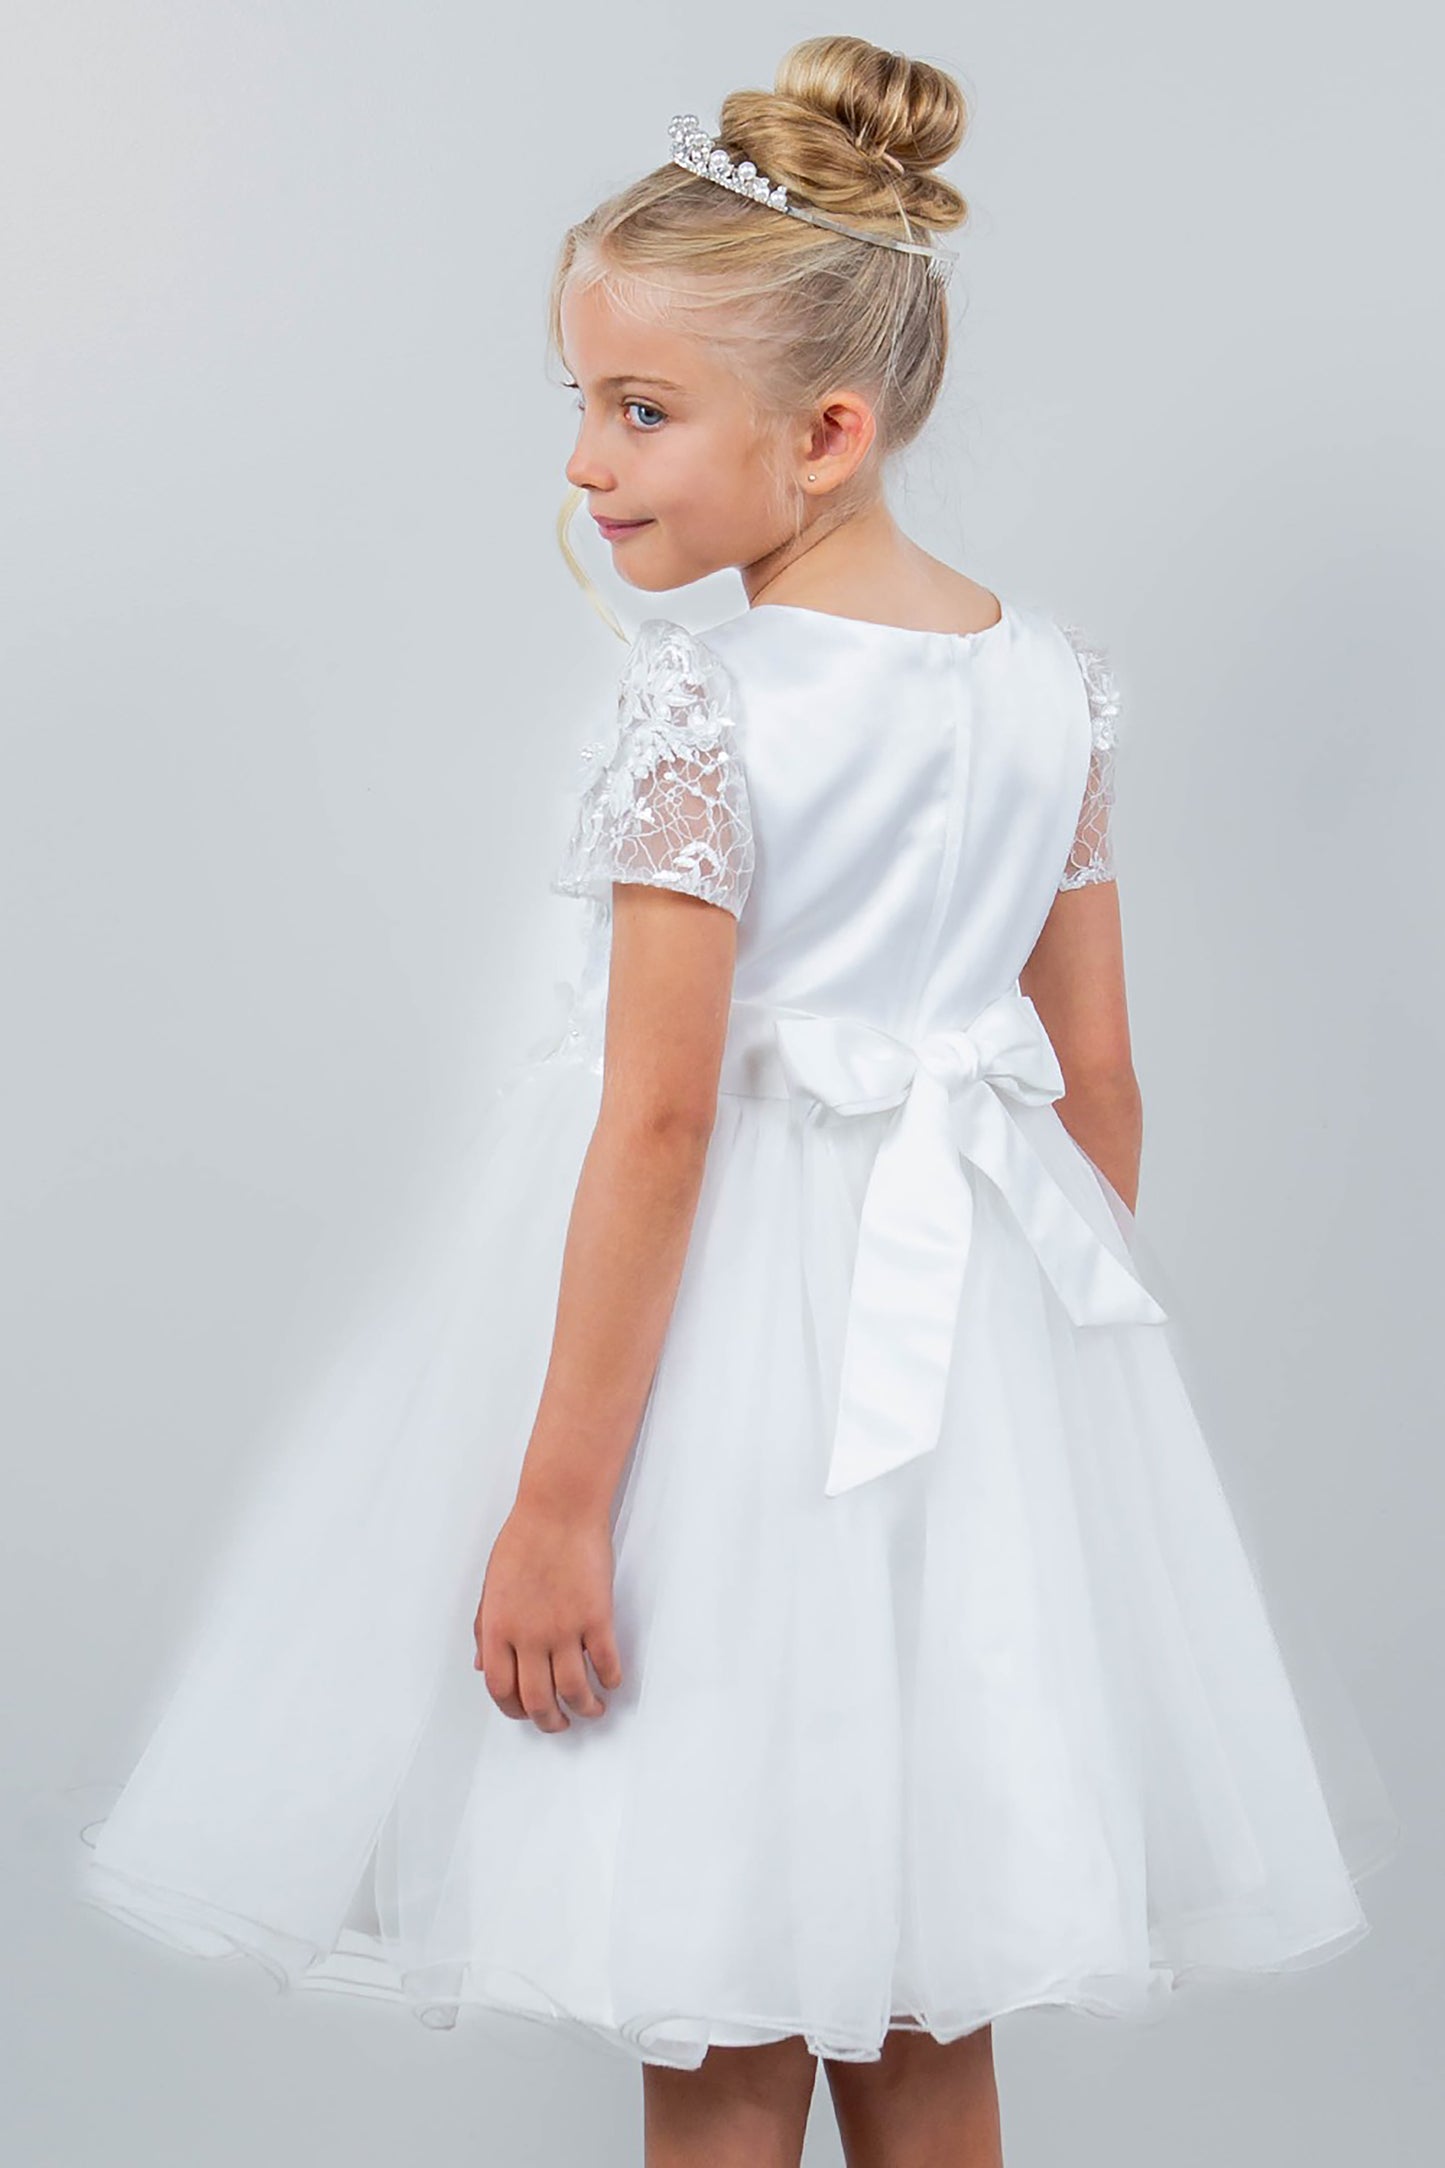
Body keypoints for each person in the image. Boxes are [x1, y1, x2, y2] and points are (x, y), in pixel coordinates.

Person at [75, 34, 1398, 2168]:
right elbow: (1102, 1085)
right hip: (963, 1407)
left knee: (720, 2013)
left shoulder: (703, 705)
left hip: (718, 1422)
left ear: (830, 433)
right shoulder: (1044, 684)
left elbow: (663, 1125)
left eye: (641, 409)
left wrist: (562, 1507)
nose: (587, 464)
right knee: (924, 1995)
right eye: (584, 404)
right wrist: (1031, 1417)